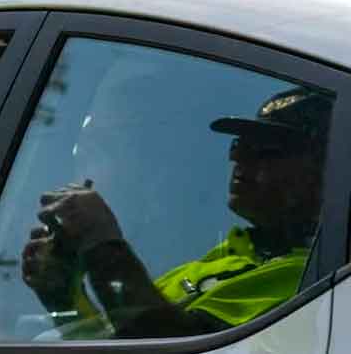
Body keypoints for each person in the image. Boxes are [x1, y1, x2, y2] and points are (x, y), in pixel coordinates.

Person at [21, 87, 330, 339]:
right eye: (239, 148)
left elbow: (164, 342)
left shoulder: (308, 276)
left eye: (266, 152)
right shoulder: (224, 257)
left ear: (328, 173)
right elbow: (117, 344)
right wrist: (63, 297)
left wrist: (101, 242)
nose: (241, 164)